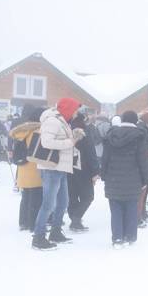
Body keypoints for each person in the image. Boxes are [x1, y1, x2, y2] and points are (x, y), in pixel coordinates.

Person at [31, 98, 83, 251]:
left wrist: (73, 135)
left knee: (63, 203)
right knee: (49, 204)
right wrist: (70, 142)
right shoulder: (52, 120)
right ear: (67, 108)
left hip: (61, 168)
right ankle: (38, 237)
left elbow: (61, 138)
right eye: (74, 110)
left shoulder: (61, 120)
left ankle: (55, 232)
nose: (76, 113)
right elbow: (47, 142)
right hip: (52, 168)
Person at [101, 111, 148, 249]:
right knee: (131, 207)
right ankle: (130, 236)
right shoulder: (139, 137)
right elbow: (142, 161)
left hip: (113, 178)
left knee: (115, 209)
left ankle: (117, 238)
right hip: (133, 179)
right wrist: (146, 179)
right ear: (135, 121)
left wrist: (103, 175)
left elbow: (105, 158)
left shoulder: (111, 135)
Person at [9, 106, 44, 231]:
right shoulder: (37, 131)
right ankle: (32, 224)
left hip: (23, 168)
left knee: (26, 197)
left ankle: (23, 222)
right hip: (34, 168)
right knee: (36, 197)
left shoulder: (22, 131)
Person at [66, 113, 99, 232]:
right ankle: (76, 218)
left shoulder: (67, 132)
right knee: (88, 196)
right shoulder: (85, 133)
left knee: (72, 195)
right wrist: (95, 171)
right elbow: (91, 154)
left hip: (68, 169)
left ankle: (74, 218)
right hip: (84, 170)